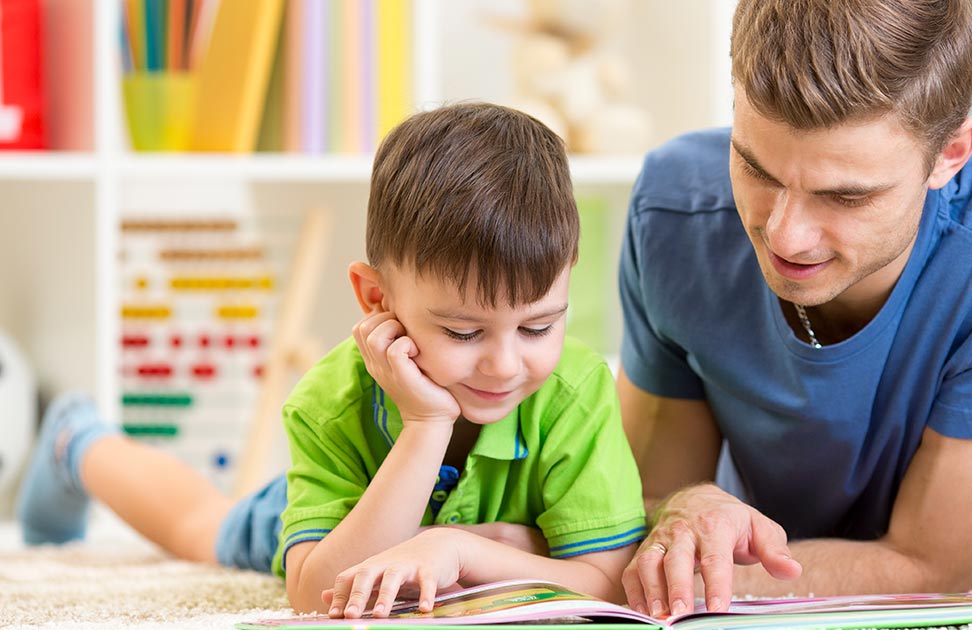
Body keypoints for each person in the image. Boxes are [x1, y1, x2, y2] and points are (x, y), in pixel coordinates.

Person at [616, 0, 972, 618]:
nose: (786, 237)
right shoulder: (670, 213)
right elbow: (655, 497)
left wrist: (679, 570)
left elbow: (931, 569)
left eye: (846, 195)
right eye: (757, 169)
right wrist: (689, 508)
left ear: (952, 153)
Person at [18, 103, 647, 618]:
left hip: (436, 531)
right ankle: (77, 439)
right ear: (378, 299)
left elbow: (612, 584)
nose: (507, 365)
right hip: (347, 514)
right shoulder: (330, 401)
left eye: (539, 325)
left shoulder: (577, 387)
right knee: (200, 528)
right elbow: (312, 594)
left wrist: (458, 549)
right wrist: (427, 429)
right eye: (462, 332)